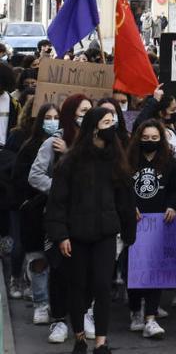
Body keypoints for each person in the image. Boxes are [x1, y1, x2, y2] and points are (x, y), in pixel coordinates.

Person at [45, 106, 137, 354]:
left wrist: (128, 231)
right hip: (76, 234)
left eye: (113, 122)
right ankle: (79, 338)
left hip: (105, 233)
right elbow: (57, 201)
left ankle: (101, 342)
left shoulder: (116, 159)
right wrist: (61, 234)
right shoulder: (71, 161)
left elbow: (126, 199)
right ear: (95, 127)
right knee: (78, 285)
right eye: (107, 122)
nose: (112, 127)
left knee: (102, 285)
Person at [29, 94, 93, 344]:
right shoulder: (54, 142)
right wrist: (60, 188)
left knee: (87, 271)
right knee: (60, 269)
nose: (86, 114)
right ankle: (58, 320)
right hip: (60, 217)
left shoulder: (95, 143)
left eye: (90, 110)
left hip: (88, 218)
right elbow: (35, 176)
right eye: (81, 110)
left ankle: (84, 315)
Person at [126, 119, 176, 339]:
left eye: (154, 138)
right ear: (138, 139)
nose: (149, 142)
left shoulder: (169, 161)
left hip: (159, 223)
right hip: (133, 223)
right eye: (145, 138)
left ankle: (150, 319)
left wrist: (172, 205)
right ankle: (135, 310)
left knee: (155, 271)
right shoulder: (128, 158)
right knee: (132, 270)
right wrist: (128, 206)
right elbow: (120, 186)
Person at [11, 103, 58, 325]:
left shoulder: (65, 146)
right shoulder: (29, 147)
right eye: (48, 117)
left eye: (56, 116)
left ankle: (57, 304)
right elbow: (20, 180)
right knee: (38, 259)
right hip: (34, 213)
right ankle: (41, 304)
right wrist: (30, 201)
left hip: (59, 213)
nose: (52, 120)